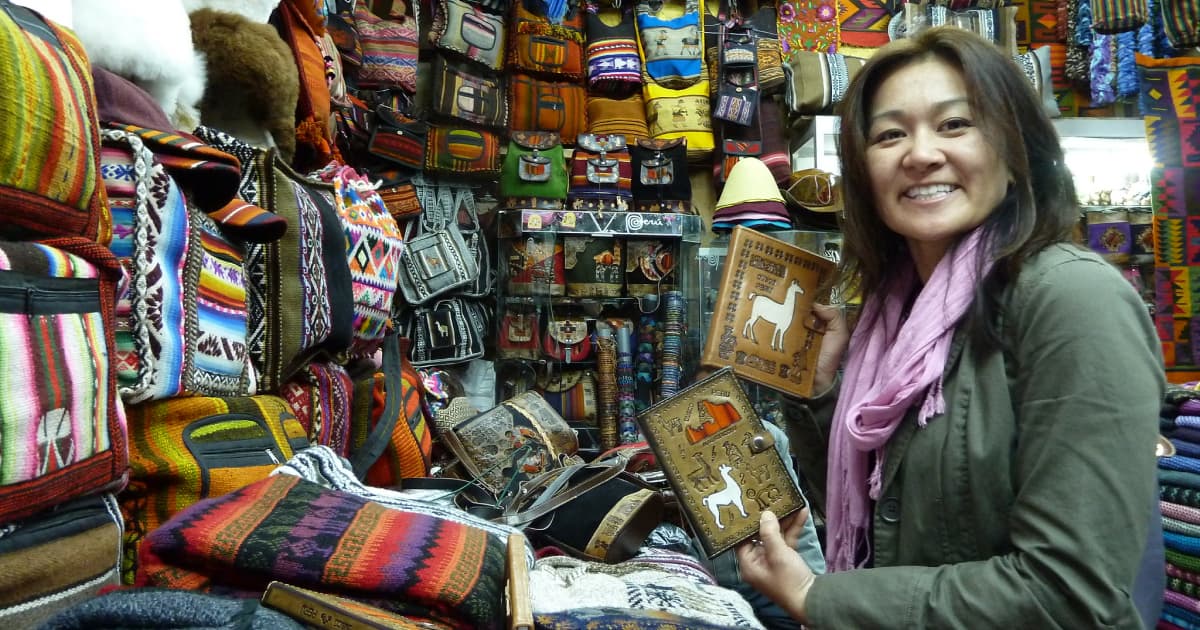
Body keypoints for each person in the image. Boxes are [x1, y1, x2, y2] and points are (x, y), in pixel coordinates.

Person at [735, 26, 1166, 628]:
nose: (920, 153)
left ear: (1014, 152)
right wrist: (823, 387)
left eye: (955, 125)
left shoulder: (1071, 299)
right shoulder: (895, 322)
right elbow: (884, 523)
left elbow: (1072, 592)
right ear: (864, 175)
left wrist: (816, 597)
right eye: (889, 134)